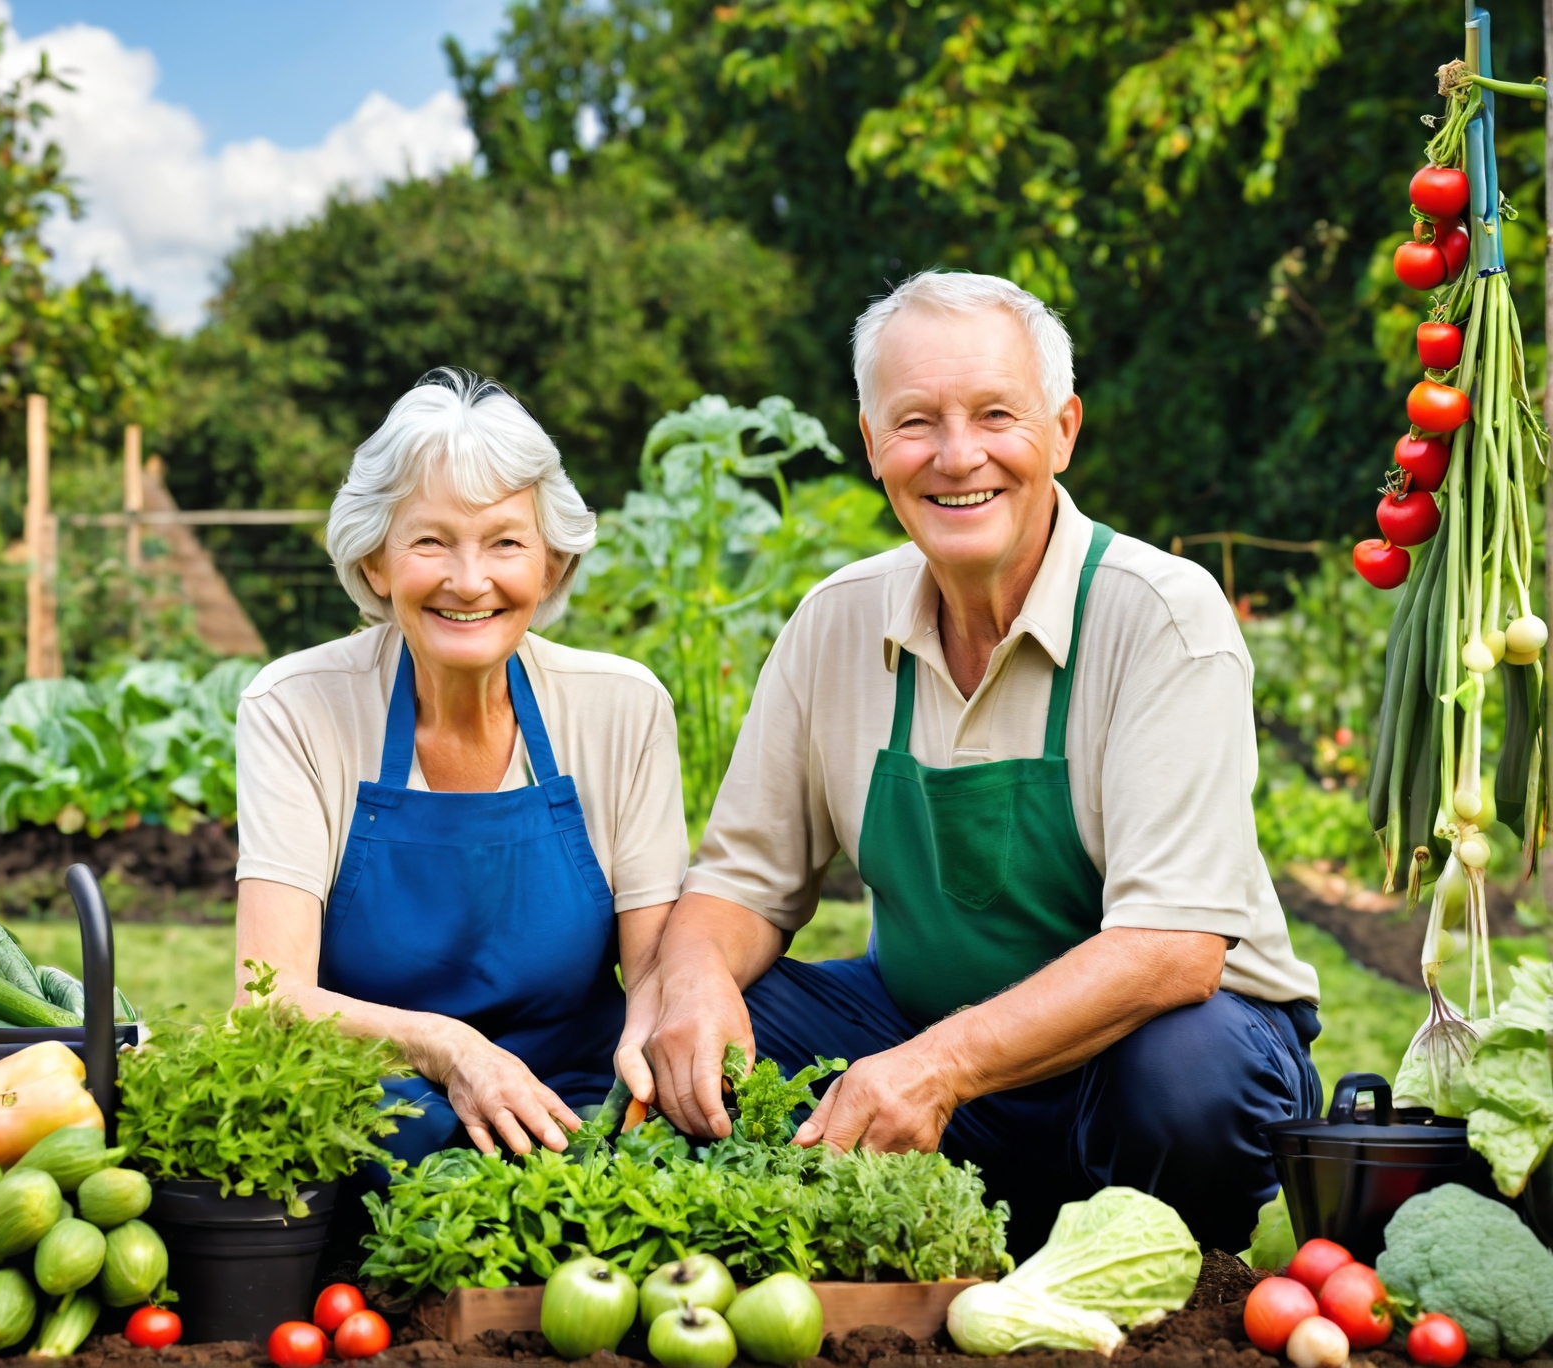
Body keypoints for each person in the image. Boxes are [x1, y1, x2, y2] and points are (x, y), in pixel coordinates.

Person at [622, 271, 1322, 1254]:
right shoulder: (835, 623)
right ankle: (897, 1235)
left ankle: (1159, 1268)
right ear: (871, 445)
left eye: (995, 414)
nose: (957, 456)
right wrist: (692, 979)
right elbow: (740, 882)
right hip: (923, 1038)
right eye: (915, 422)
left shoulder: (1158, 616)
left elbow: (1170, 950)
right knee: (700, 1026)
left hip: (1149, 1056)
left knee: (1186, 1074)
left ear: (1062, 430)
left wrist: (935, 1068)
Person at [235, 368, 687, 1166]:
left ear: (549, 566)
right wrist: (453, 1049)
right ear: (376, 563)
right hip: (381, 1100)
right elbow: (268, 1003)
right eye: (430, 541)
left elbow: (654, 974)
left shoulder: (622, 706)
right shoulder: (297, 707)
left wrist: (637, 1094)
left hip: (573, 1104)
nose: (469, 580)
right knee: (409, 1129)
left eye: (506, 542)